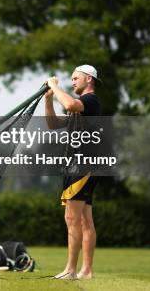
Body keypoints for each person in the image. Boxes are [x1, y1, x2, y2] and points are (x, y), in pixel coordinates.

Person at [44, 65, 101, 280]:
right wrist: (49, 98)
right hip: (77, 165)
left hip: (83, 165)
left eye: (76, 78)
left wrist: (53, 85)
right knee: (85, 220)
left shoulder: (90, 100)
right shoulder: (81, 109)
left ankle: (70, 270)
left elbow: (68, 102)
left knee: (71, 217)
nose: (73, 81)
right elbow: (52, 123)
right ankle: (86, 271)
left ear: (88, 79)